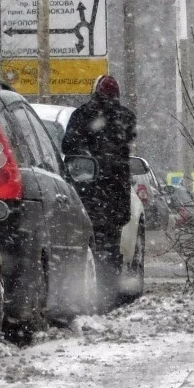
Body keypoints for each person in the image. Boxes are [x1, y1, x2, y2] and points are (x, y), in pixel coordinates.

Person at [63, 75, 136, 303]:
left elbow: (67, 146)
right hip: (115, 196)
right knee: (111, 242)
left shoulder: (81, 115)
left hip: (88, 191)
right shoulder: (126, 117)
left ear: (95, 91)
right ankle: (109, 290)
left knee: (87, 242)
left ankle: (87, 289)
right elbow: (127, 149)